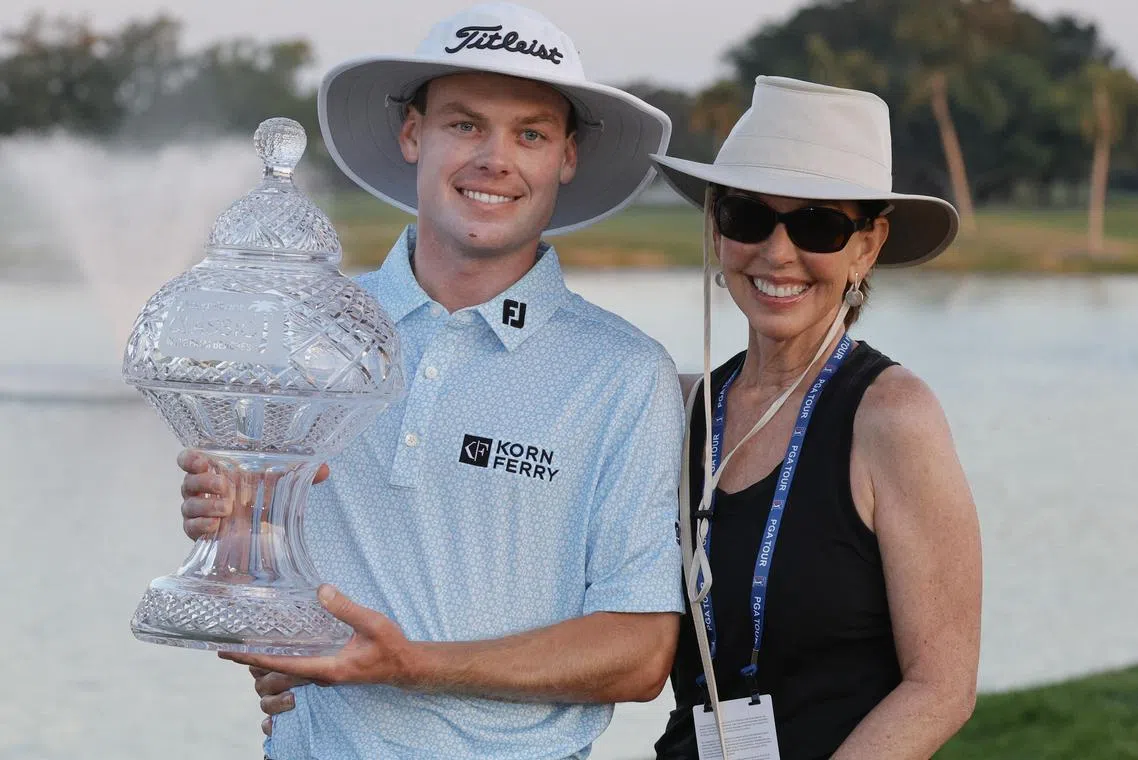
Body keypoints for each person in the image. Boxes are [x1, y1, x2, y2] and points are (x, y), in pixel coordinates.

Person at [178, 4, 685, 759]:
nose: (495, 158)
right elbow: (256, 561)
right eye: (464, 124)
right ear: (413, 133)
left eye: (531, 134)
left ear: (566, 157)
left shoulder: (624, 374)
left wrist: (411, 667)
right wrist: (231, 524)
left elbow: (640, 652)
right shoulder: (305, 333)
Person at [648, 77, 982, 759]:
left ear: (867, 245)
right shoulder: (675, 409)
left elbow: (941, 686)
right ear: (716, 228)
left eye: (818, 226)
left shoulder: (892, 416)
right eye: (748, 217)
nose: (776, 253)